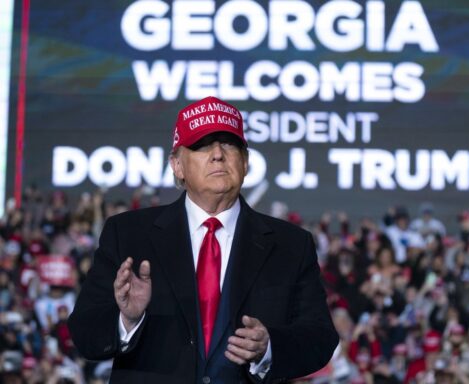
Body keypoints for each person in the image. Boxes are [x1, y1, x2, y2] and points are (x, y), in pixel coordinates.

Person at [68, 96, 338, 383]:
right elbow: (85, 334)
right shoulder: (128, 234)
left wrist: (269, 347)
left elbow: (319, 337)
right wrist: (127, 321)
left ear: (245, 162)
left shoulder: (291, 245)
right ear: (177, 166)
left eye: (229, 143)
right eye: (201, 145)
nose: (218, 154)